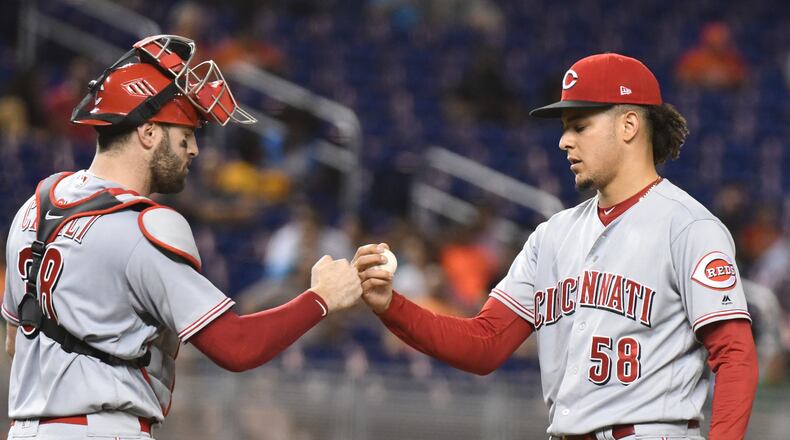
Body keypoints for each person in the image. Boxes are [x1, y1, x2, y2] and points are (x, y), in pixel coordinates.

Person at [355, 53, 758, 439]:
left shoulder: (688, 226)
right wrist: (391, 305)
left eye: (579, 126)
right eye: (565, 127)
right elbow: (483, 345)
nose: (564, 141)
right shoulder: (551, 237)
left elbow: (734, 355)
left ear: (629, 125)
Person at [2, 34, 362, 439]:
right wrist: (322, 298)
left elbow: (15, 343)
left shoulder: (33, 207)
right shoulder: (144, 224)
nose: (193, 149)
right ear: (149, 133)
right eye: (185, 132)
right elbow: (237, 346)